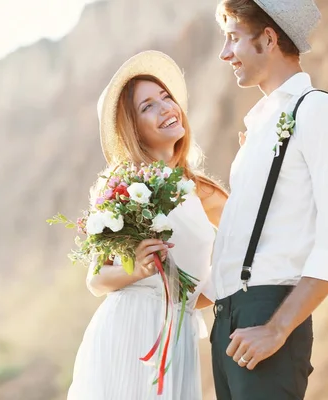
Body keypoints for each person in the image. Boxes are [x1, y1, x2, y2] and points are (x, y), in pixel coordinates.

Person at [209, 1, 328, 399]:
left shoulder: (319, 113)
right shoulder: (259, 128)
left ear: (269, 38)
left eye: (233, 39)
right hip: (227, 320)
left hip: (268, 312)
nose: (225, 54)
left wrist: (278, 327)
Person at [67, 50, 227, 400]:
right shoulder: (125, 184)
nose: (166, 107)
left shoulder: (202, 191)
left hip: (177, 335)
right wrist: (137, 270)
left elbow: (245, 240)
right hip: (130, 329)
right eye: (148, 106)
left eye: (166, 97)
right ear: (133, 128)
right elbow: (96, 279)